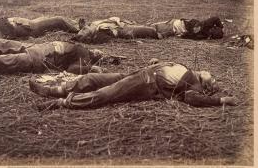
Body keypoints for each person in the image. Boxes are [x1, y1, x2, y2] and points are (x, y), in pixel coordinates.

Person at [30, 58, 236, 110]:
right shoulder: (189, 70)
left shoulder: (194, 85)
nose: (213, 76)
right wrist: (159, 61)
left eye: (214, 81)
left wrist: (220, 100)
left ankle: (61, 103)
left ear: (206, 86)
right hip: (140, 73)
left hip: (146, 83)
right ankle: (52, 90)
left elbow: (192, 99)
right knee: (92, 78)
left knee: (105, 94)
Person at [0, 38, 107, 77]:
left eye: (100, 56)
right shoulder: (80, 47)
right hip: (34, 48)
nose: (99, 52)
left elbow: (72, 71)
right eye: (100, 51)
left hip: (38, 61)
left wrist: (90, 68)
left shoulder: (85, 60)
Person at [0, 16, 81, 40]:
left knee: (53, 18)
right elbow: (9, 40)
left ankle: (76, 24)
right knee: (58, 20)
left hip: (28, 22)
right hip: (31, 27)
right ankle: (79, 31)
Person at [72, 17, 158, 43]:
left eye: (82, 29)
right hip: (124, 29)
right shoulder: (99, 33)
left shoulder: (93, 24)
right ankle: (167, 32)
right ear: (89, 35)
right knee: (150, 30)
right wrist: (133, 42)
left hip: (121, 23)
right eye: (84, 30)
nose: (84, 28)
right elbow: (115, 39)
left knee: (151, 26)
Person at [151, 16, 224, 40]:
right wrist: (221, 27)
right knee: (153, 27)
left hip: (176, 26)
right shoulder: (205, 26)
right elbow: (216, 18)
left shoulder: (202, 34)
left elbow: (188, 35)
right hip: (177, 25)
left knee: (153, 28)